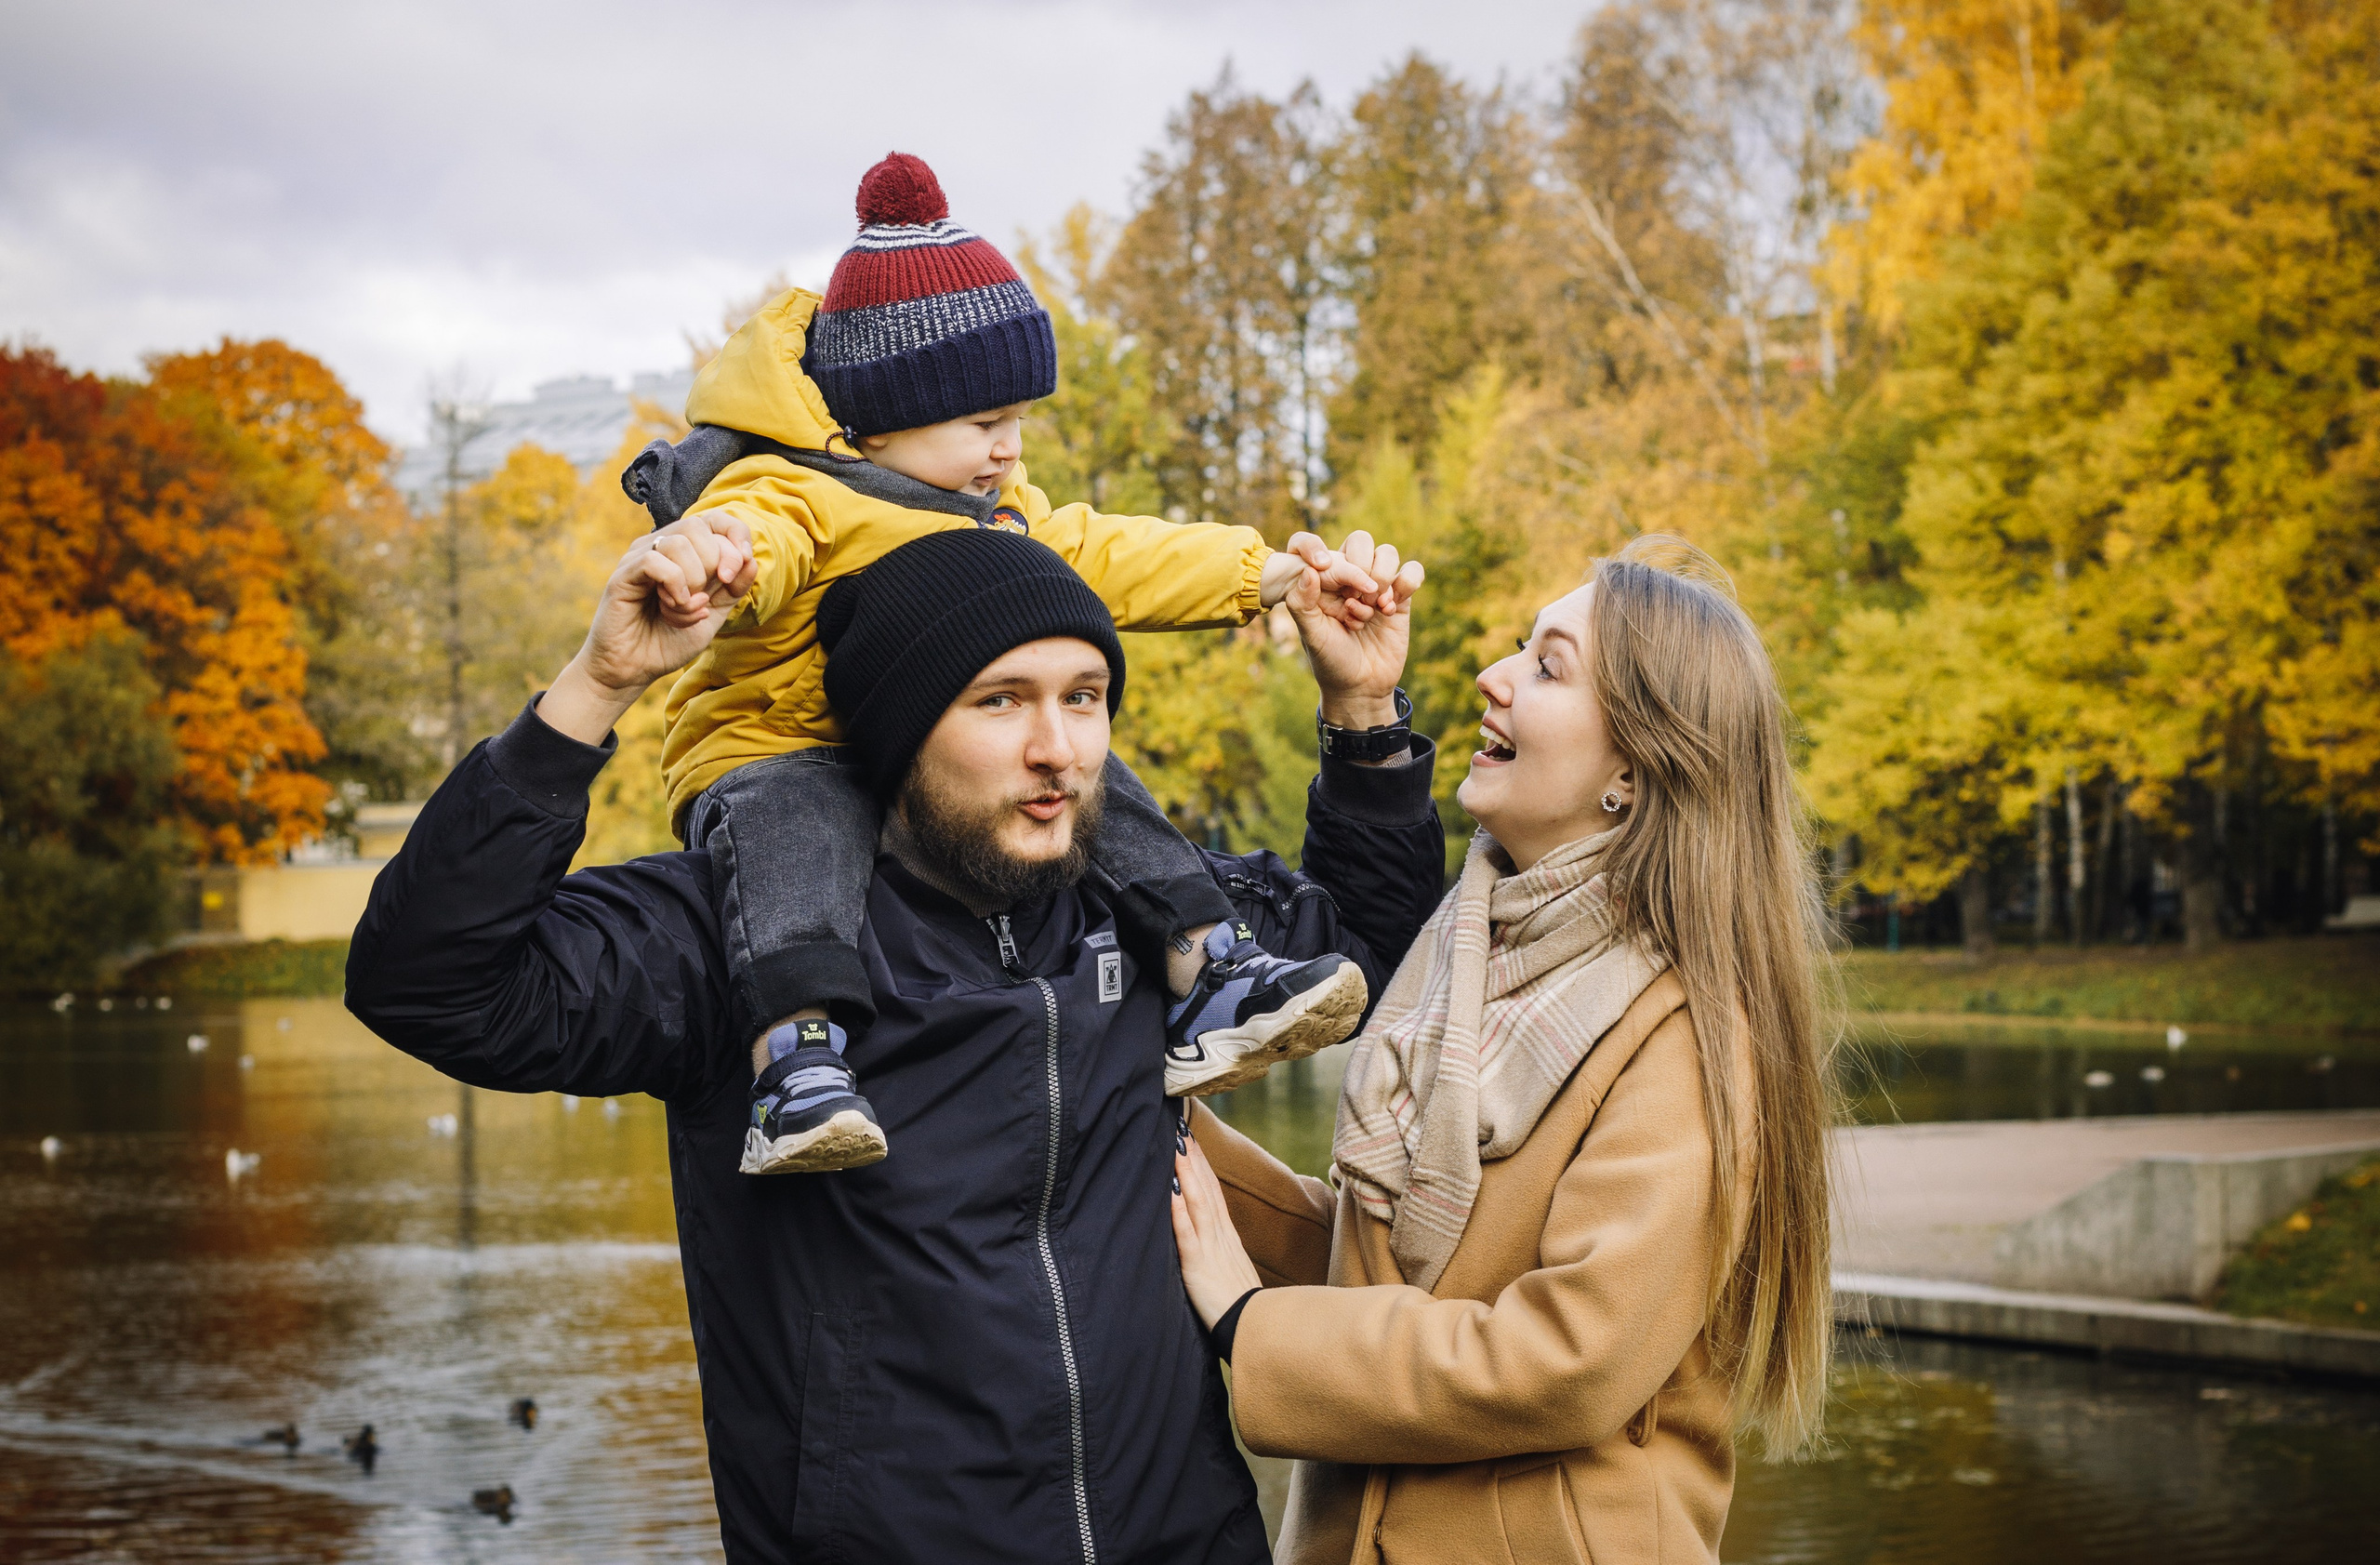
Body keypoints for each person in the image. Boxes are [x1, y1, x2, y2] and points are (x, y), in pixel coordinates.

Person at [344, 520, 1443, 1564]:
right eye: (999, 701)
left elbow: (1371, 961)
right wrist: (596, 688)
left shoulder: (1156, 916)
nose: (1056, 749)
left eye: (1085, 698)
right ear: (898, 726)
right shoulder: (743, 942)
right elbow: (431, 986)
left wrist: (1363, 709)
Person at [620, 152, 1393, 1175]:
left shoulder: (999, 513)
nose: (1007, 448)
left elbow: (1112, 553)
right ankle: (794, 1064)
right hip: (780, 745)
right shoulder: (791, 489)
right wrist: (718, 566)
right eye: (986, 423)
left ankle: (1211, 971)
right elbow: (759, 543)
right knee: (789, 841)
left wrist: (1266, 574)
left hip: (936, 758)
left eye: (1019, 421)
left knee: (1082, 772)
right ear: (882, 416)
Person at [1167, 535, 1838, 1565]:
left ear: (1632, 767)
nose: (1493, 676)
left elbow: (1564, 1360)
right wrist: (1162, 1132)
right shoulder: (1470, 955)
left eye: (1546, 665)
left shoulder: (1686, 1032)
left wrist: (1249, 1331)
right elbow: (1389, 1278)